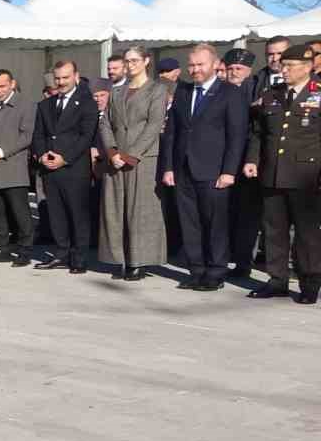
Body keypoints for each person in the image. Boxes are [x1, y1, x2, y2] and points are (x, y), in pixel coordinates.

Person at [161, 44, 249, 291]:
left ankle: (216, 271)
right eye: (191, 65)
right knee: (190, 223)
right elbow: (172, 132)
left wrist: (229, 171)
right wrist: (168, 167)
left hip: (214, 170)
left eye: (200, 65)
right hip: (183, 168)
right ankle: (196, 269)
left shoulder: (230, 93)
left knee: (215, 224)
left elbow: (237, 135)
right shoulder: (183, 91)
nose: (195, 70)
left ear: (214, 64)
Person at [243, 46, 321, 303]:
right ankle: (277, 279)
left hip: (306, 175)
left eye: (289, 66)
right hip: (272, 173)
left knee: (307, 232)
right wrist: (252, 160)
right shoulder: (271, 95)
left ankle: (310, 280)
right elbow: (258, 133)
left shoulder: (318, 93)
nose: (283, 70)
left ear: (307, 66)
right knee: (273, 229)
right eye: (282, 65)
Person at [98, 47, 170, 280]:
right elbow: (106, 123)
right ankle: (119, 259)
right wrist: (112, 152)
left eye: (135, 60)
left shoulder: (157, 90)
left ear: (146, 61)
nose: (130, 65)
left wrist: (132, 155)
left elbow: (154, 125)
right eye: (127, 61)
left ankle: (139, 261)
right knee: (115, 209)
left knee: (141, 211)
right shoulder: (117, 91)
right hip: (115, 158)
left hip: (143, 159)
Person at [31, 61, 99, 273]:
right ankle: (60, 253)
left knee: (77, 215)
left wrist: (65, 158)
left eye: (65, 78)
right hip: (49, 168)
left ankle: (79, 257)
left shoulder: (87, 102)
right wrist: (42, 155)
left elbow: (86, 136)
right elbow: (38, 134)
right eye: (58, 78)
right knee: (57, 214)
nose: (61, 82)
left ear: (75, 76)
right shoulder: (46, 105)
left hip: (74, 168)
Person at [0, 70, 36, 265]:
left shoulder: (26, 105)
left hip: (13, 169)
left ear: (12, 83)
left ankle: (25, 250)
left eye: (2, 86)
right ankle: (2, 248)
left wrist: (0, 153)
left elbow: (26, 137)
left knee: (20, 213)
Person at [222, 48, 263, 278]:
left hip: (246, 159)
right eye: (230, 68)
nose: (234, 72)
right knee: (226, 213)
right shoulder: (219, 90)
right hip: (221, 159)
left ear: (248, 70)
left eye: (239, 68)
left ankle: (243, 262)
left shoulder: (255, 90)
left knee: (246, 216)